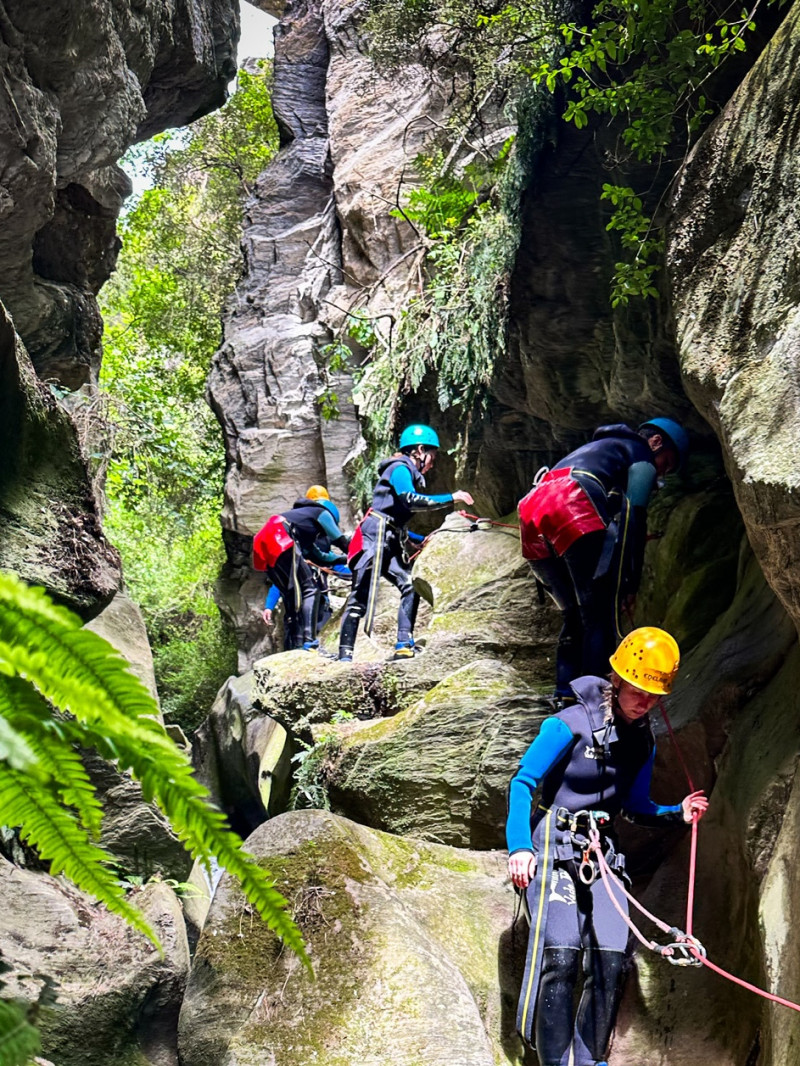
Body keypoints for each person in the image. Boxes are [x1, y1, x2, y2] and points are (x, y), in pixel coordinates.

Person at [506, 627, 708, 1066]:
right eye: (639, 691)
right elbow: (523, 783)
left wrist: (677, 812)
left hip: (602, 851)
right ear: (617, 681)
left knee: (612, 957)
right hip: (556, 844)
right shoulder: (569, 724)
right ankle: (554, 1061)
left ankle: (591, 1057)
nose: (646, 703)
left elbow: (635, 807)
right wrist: (520, 846)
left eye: (655, 696)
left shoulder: (641, 741)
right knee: (560, 952)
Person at [518, 418, 688, 701]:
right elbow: (635, 513)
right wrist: (629, 584)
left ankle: (564, 695)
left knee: (573, 613)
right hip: (572, 502)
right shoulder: (640, 454)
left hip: (532, 507)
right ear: (656, 442)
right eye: (665, 464)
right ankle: (594, 700)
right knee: (599, 613)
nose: (660, 476)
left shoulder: (598, 447)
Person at [337, 424, 474, 662]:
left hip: (388, 537)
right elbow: (410, 500)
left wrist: (425, 538)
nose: (433, 463)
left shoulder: (404, 470)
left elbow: (397, 520)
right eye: (432, 455)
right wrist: (452, 497)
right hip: (374, 538)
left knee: (409, 585)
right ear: (420, 450)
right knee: (360, 598)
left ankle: (403, 644)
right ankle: (344, 656)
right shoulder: (399, 468)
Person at [253, 486, 350, 651]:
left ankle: (297, 645)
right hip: (280, 536)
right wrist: (357, 555)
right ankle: (309, 641)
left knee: (292, 595)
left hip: (263, 543)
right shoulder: (322, 513)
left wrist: (345, 559)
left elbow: (320, 557)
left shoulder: (301, 525)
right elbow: (341, 541)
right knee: (310, 590)